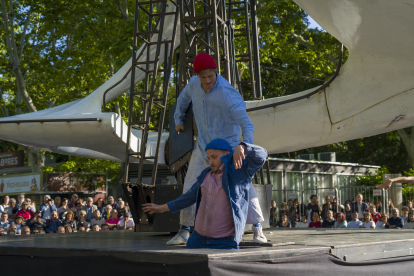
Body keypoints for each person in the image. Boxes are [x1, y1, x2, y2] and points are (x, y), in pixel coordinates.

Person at [169, 53, 266, 246]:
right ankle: (184, 230)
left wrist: (244, 147)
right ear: (197, 76)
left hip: (228, 150)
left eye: (210, 76)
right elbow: (183, 99)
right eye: (203, 77)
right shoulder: (193, 85)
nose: (207, 81)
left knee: (242, 185)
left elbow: (247, 125)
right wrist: (178, 120)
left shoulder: (228, 93)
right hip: (204, 146)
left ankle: (257, 228)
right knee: (190, 185)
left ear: (216, 72)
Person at [143, 139, 267, 249]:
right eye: (208, 158)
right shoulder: (205, 174)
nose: (211, 162)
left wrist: (243, 147)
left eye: (214, 157)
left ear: (227, 154)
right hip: (197, 240)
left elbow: (262, 155)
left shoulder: (239, 172)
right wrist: (162, 208)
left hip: (224, 242)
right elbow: (188, 197)